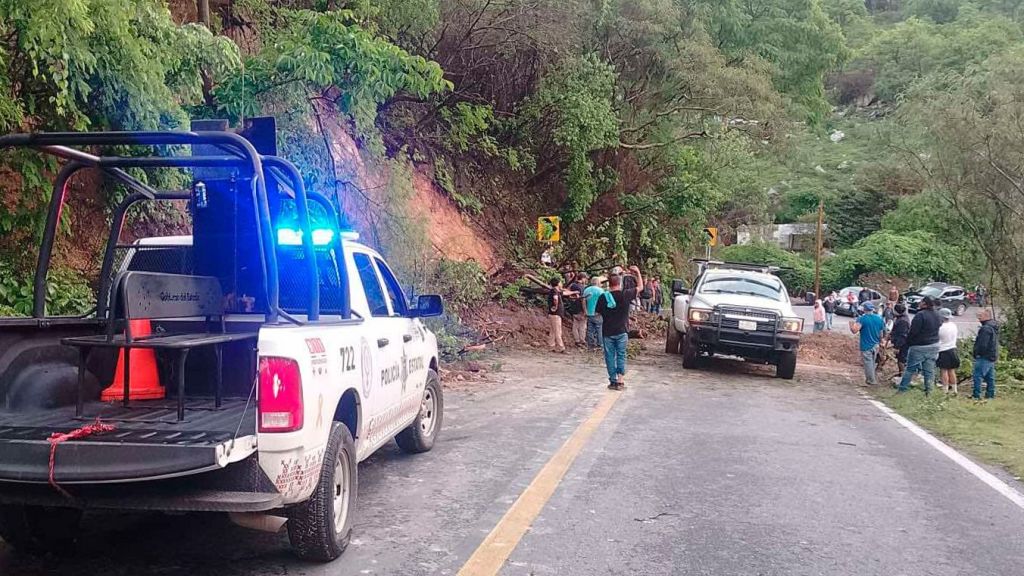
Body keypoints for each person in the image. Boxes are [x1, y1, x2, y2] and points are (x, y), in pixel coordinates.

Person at [596, 265, 643, 390]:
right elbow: (641, 287)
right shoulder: (625, 294)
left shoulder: (603, 297)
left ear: (609, 284)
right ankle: (621, 381)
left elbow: (597, 313)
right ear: (619, 282)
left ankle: (613, 381)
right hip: (622, 331)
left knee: (610, 356)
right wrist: (637, 273)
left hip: (607, 332)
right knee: (621, 354)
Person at [897, 296, 942, 394]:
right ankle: (929, 391)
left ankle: (902, 390)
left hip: (919, 346)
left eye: (921, 301)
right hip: (934, 345)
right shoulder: (937, 315)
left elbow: (913, 332)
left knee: (910, 369)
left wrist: (908, 343)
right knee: (929, 371)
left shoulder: (920, 315)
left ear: (924, 303)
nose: (919, 303)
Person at [850, 301, 885, 386]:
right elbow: (881, 333)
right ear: (873, 309)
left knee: (868, 363)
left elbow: (855, 331)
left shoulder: (862, 319)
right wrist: (881, 341)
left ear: (864, 309)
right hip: (875, 344)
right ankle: (871, 378)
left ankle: (871, 380)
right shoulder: (879, 319)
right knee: (872, 362)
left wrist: (851, 325)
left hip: (866, 345)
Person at [972, 308, 999, 400]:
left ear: (986, 316)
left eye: (980, 315)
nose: (978, 317)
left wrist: (977, 353)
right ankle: (990, 394)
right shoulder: (993, 326)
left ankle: (976, 395)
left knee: (978, 375)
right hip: (992, 355)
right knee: (990, 377)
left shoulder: (985, 329)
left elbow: (982, 344)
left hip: (985, 355)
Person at [936, 308, 960, 394]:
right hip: (953, 349)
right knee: (951, 370)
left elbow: (937, 339)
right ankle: (954, 390)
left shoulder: (940, 327)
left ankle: (945, 389)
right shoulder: (953, 325)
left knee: (944, 371)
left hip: (943, 350)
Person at [582, 276, 605, 351]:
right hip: (598, 313)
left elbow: (583, 301)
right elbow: (604, 302)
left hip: (589, 313)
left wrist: (585, 311)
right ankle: (600, 345)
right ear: (598, 282)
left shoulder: (586, 290)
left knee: (590, 330)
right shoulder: (601, 291)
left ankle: (590, 345)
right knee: (599, 330)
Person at [889, 303, 911, 378]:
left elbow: (902, 336)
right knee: (900, 359)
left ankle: (902, 375)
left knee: (901, 359)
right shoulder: (901, 318)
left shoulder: (903, 321)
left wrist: (897, 347)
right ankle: (901, 373)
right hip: (901, 342)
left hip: (903, 344)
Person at [566, 273, 587, 348]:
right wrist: (585, 310)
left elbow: (567, 293)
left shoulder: (572, 285)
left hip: (573, 308)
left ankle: (576, 340)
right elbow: (582, 300)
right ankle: (582, 340)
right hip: (580, 309)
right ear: (583, 278)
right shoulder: (582, 288)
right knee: (582, 326)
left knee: (575, 325)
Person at [546, 276, 566, 353]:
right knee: (558, 331)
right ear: (557, 283)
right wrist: (556, 306)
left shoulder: (555, 290)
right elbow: (555, 298)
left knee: (553, 331)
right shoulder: (554, 291)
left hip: (553, 314)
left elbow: (564, 292)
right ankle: (561, 347)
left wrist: (574, 292)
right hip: (556, 314)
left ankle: (551, 346)